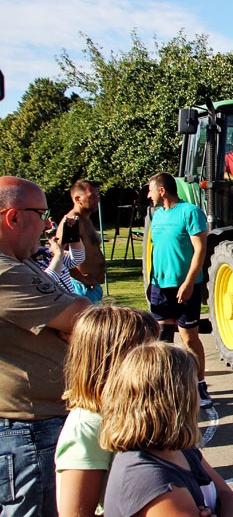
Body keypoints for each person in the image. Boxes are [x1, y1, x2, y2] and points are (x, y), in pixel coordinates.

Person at [0, 175, 91, 516]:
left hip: (38, 425)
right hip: (28, 431)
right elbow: (83, 316)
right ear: (14, 217)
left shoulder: (21, 263)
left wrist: (73, 320)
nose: (47, 223)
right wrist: (74, 323)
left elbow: (78, 313)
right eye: (41, 213)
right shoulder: (5, 271)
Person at [100, 342, 233, 517]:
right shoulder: (150, 479)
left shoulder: (182, 451)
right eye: (194, 387)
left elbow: (229, 496)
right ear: (179, 399)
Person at [55, 306, 160, 517]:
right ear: (110, 359)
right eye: (146, 350)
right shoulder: (87, 426)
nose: (158, 356)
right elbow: (76, 513)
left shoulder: (142, 411)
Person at [146, 172, 213, 408]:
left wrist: (187, 283)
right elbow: (157, 250)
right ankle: (166, 389)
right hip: (159, 287)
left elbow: (200, 250)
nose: (149, 195)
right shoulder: (157, 216)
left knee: (188, 338)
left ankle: (199, 386)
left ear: (162, 190)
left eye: (151, 190)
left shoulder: (190, 212)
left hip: (186, 287)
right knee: (162, 340)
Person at [57, 180, 105, 304]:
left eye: (97, 196)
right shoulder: (72, 222)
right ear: (78, 199)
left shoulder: (86, 220)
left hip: (92, 287)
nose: (97, 200)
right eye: (92, 197)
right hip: (81, 288)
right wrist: (82, 279)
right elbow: (58, 255)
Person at [34, 222, 85, 294]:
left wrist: (72, 233)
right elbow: (47, 282)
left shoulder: (44, 251)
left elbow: (77, 259)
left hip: (70, 301)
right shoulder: (22, 261)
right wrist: (58, 254)